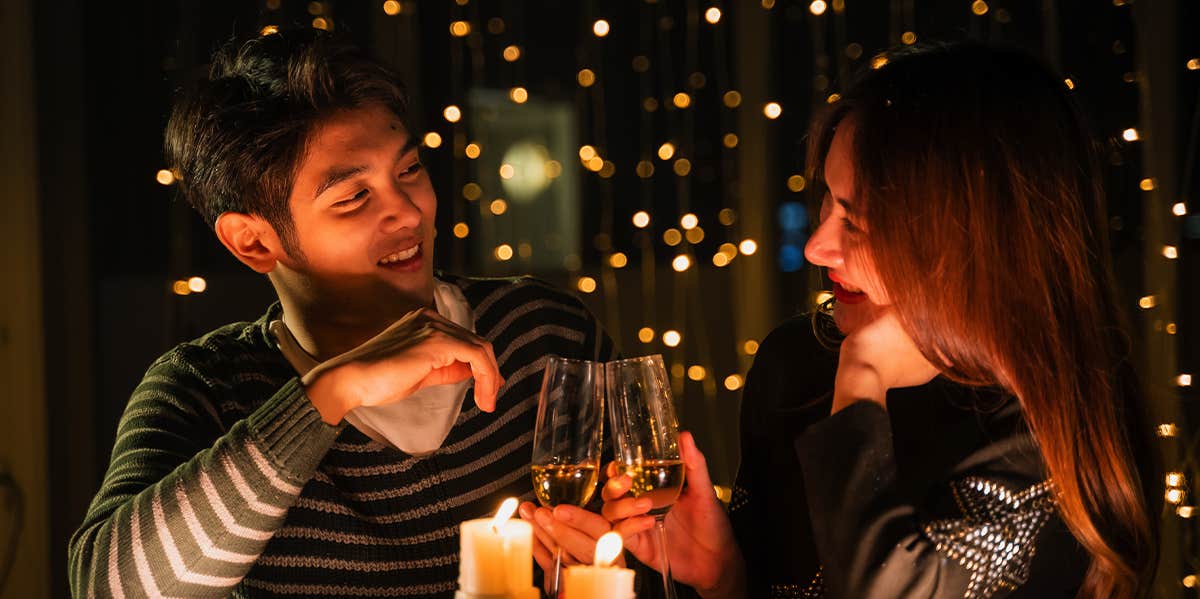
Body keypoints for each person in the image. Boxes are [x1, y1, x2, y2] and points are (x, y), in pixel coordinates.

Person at [538, 42, 1160, 599]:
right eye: (825, 203)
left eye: (856, 221)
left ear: (970, 243)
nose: (815, 247)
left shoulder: (1046, 435)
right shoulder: (796, 363)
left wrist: (861, 374)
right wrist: (728, 576)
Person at [68, 29, 614, 598]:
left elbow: (661, 561)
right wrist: (330, 391)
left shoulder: (545, 332)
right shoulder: (205, 388)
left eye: (408, 171)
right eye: (354, 198)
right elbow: (110, 588)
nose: (407, 211)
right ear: (253, 241)